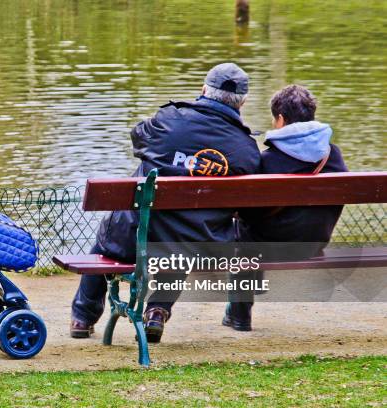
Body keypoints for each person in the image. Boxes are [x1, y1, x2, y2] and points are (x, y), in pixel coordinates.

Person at [71, 63, 261, 342]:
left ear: (203, 90)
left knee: (108, 240)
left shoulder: (168, 121)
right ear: (242, 101)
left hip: (131, 241)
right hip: (201, 246)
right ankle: (157, 311)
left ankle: (82, 317)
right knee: (180, 239)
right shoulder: (245, 148)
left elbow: (138, 139)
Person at [224, 84, 348, 331]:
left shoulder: (267, 160)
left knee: (243, 234)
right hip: (314, 242)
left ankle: (239, 315)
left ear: (280, 119)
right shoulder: (333, 155)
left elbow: (248, 211)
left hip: (269, 247)